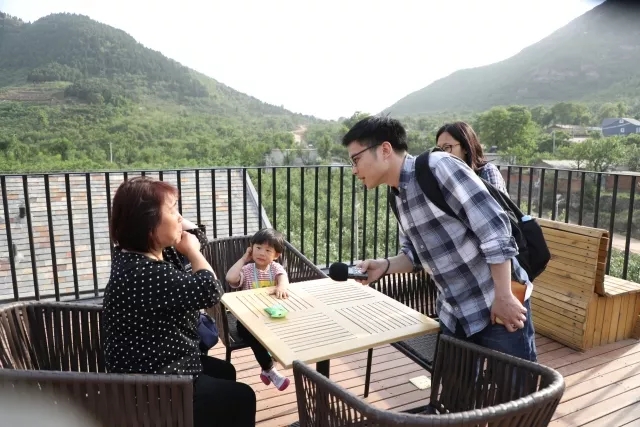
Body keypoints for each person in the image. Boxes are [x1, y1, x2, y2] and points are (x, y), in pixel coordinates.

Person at [342, 116, 536, 362]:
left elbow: (495, 230)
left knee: (516, 383)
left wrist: (505, 296)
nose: (354, 170)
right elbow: (416, 255)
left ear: (385, 149)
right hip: (455, 316)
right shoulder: (397, 196)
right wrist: (385, 266)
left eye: (356, 159)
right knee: (456, 387)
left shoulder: (438, 167)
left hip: (497, 307)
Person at [103, 176, 256, 427]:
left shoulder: (139, 254)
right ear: (148, 224)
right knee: (242, 397)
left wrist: (178, 224)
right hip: (155, 390)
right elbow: (211, 290)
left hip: (156, 367)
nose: (180, 218)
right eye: (173, 210)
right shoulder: (146, 273)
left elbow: (198, 236)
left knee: (225, 371)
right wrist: (192, 251)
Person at [226, 228, 291, 391]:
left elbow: (283, 278)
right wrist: (244, 258)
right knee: (255, 337)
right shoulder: (247, 270)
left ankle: (268, 368)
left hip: (270, 317)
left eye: (268, 250)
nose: (262, 253)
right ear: (251, 248)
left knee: (284, 329)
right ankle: (270, 370)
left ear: (276, 255)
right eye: (258, 248)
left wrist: (281, 286)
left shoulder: (275, 268)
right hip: (247, 320)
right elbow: (230, 278)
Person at [435, 121, 508, 194]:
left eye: (447, 147)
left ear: (465, 147)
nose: (442, 153)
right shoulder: (443, 176)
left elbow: (494, 201)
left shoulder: (487, 171)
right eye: (439, 149)